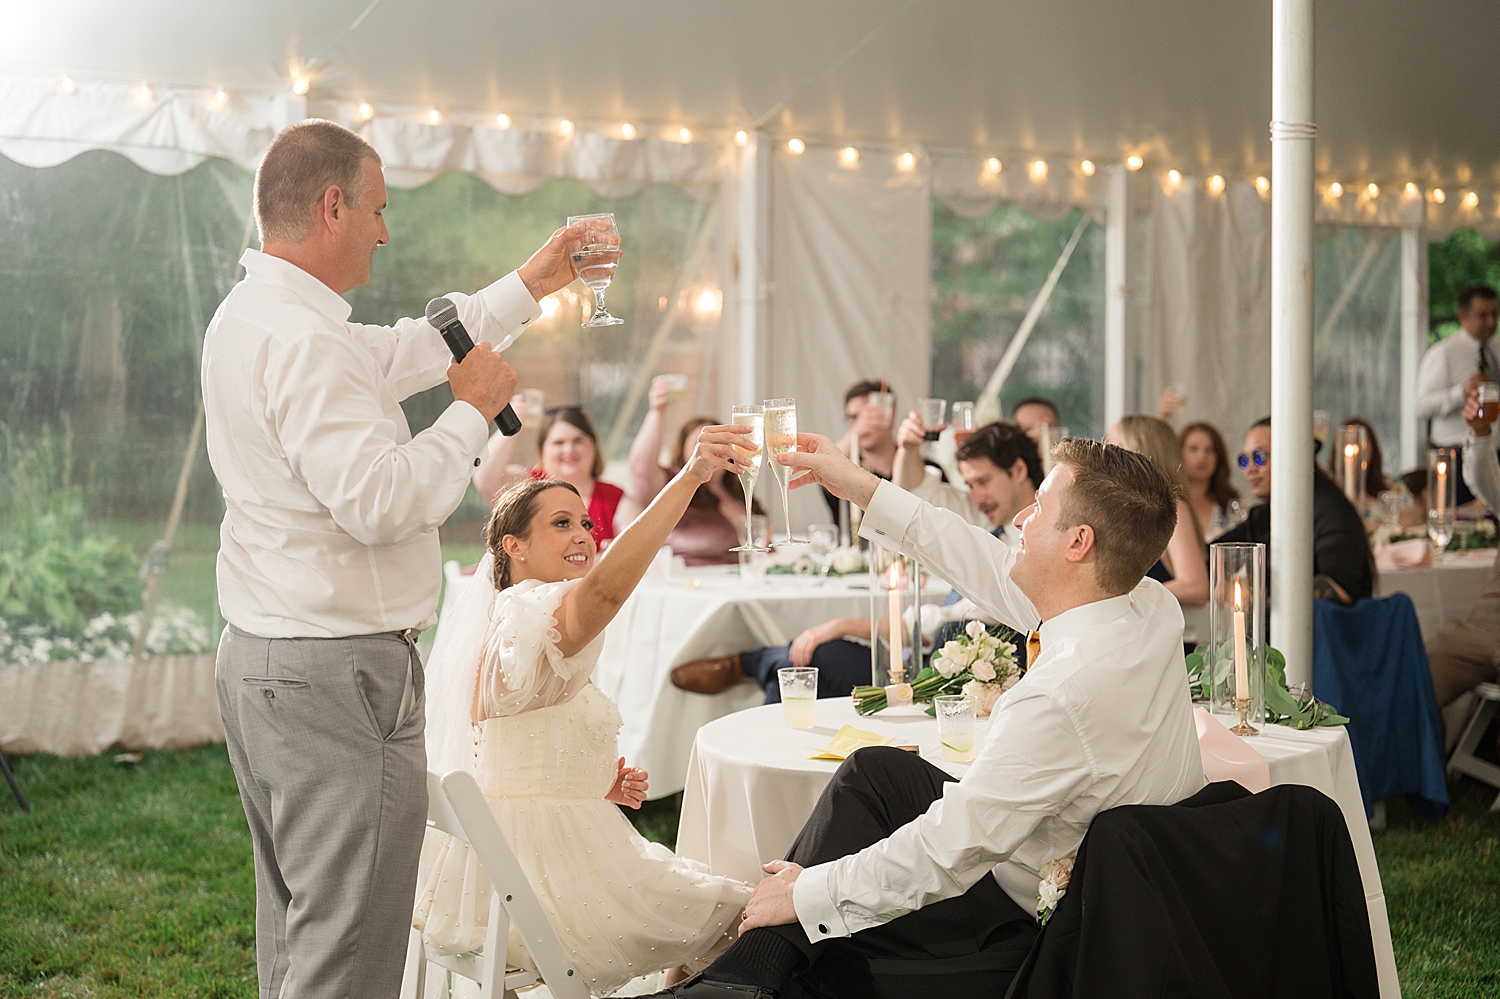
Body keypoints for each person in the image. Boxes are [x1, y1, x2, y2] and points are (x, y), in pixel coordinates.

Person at [203, 119, 589, 998]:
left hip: (267, 659)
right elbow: (379, 501)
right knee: (349, 952)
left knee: (301, 932)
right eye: (377, 210)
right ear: (332, 205)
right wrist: (470, 413)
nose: (385, 231)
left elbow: (407, 348)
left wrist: (530, 283)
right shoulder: (301, 340)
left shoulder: (258, 316)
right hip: (334, 680)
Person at [645, 434, 1206, 999]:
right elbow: (984, 563)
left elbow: (948, 849)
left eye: (1037, 506)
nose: (1019, 519)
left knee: (827, 918)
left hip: (1040, 917)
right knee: (875, 774)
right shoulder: (1145, 604)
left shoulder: (1062, 695)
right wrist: (862, 487)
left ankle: (735, 985)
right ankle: (742, 980)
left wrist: (809, 891)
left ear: (1079, 543)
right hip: (1112, 871)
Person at [416, 427, 757, 992]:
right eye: (560, 524)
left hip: (505, 869)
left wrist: (588, 785)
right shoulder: (531, 614)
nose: (583, 535)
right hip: (542, 881)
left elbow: (507, 746)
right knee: (752, 912)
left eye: (585, 523)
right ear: (513, 547)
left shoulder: (508, 621)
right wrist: (690, 476)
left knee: (729, 904)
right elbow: (603, 595)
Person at [669, 423, 1040, 699]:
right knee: (803, 663)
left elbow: (936, 619)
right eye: (969, 485)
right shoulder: (988, 523)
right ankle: (755, 666)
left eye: (982, 482)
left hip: (939, 667)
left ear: (1019, 471)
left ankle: (749, 664)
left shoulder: (1028, 554)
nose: (975, 496)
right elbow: (923, 507)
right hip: (920, 650)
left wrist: (842, 623)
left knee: (809, 662)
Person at [1217, 418, 1374, 603]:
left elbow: (1339, 586)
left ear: (1291, 455)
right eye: (1244, 460)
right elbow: (1214, 555)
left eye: (1259, 457)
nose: (1250, 468)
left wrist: (1262, 604)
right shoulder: (1266, 513)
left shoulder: (1329, 507)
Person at [625, 375, 757, 565]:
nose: (714, 448)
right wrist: (657, 411)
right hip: (691, 585)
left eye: (721, 442)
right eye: (701, 443)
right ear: (684, 451)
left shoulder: (737, 491)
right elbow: (640, 468)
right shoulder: (675, 485)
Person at [1424, 392, 1500, 710]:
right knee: (1414, 676)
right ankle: (1428, 758)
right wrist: (1481, 433)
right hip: (1487, 629)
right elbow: (1488, 484)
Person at [474, 405, 627, 547]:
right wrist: (510, 423)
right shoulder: (527, 485)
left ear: (594, 446)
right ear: (543, 450)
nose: (569, 449)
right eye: (559, 443)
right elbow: (485, 480)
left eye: (578, 441)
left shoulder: (617, 500)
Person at [1105, 416, 1209, 610]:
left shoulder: (1171, 506)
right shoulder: (1128, 509)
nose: (1104, 454)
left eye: (1112, 444)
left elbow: (1195, 587)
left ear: (1136, 451)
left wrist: (1119, 597)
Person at [1417, 283, 1500, 504]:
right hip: (1454, 456)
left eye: (1495, 314)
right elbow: (1421, 405)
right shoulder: (1444, 352)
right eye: (1483, 316)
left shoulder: (1498, 349)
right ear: (1462, 316)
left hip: (1494, 455)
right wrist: (1461, 393)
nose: (1491, 322)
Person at [1179, 421, 1241, 540]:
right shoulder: (1170, 504)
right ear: (1179, 454)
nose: (1202, 456)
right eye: (1193, 449)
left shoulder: (1230, 504)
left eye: (1210, 450)